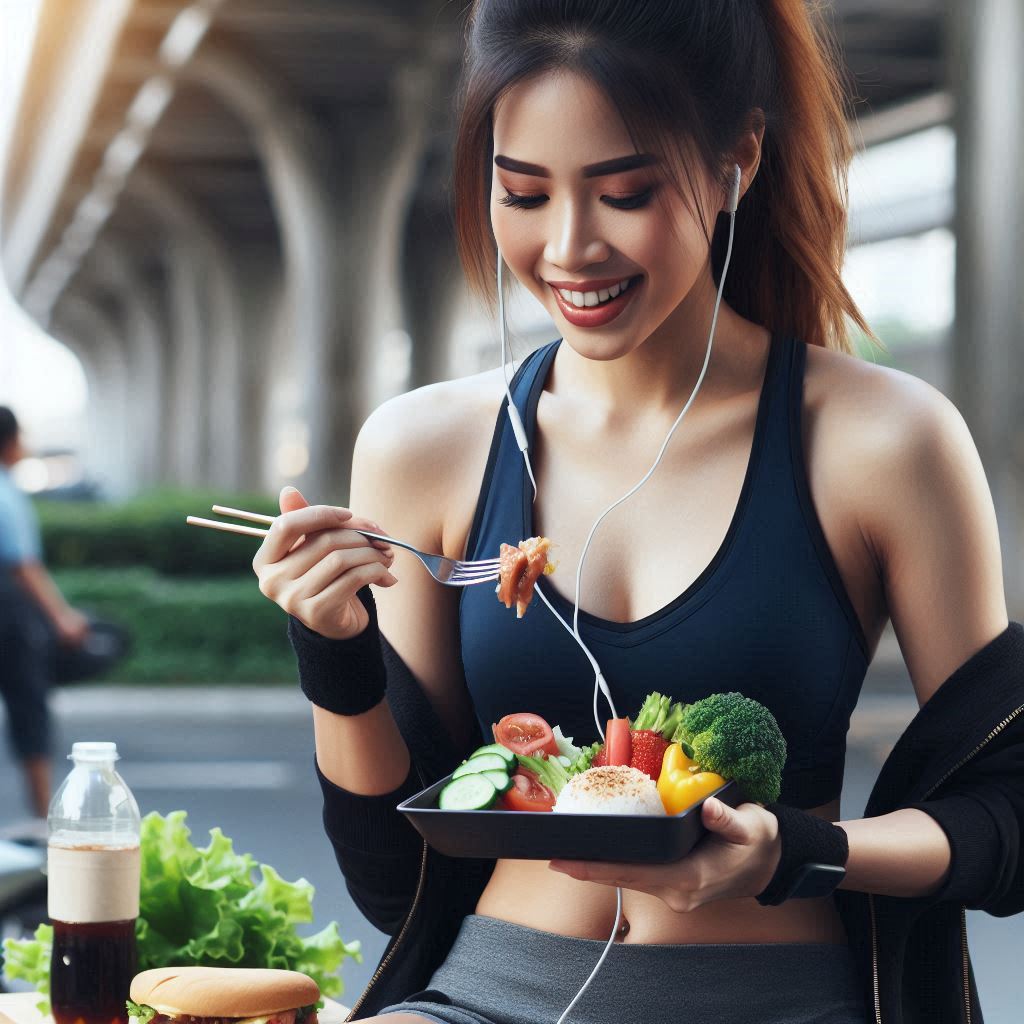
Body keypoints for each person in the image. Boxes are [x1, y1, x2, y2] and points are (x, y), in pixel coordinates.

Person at [252, 1, 1024, 1021]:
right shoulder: (424, 446)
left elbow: (1007, 812)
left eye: (624, 192)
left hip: (779, 1001)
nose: (569, 249)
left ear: (736, 156)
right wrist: (333, 654)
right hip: (486, 994)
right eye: (522, 193)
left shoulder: (882, 438)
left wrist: (795, 852)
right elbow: (398, 882)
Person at [0, 406, 89, 819]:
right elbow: (24, 566)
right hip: (10, 615)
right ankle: (43, 821)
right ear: (11, 441)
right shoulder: (6, 492)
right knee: (28, 705)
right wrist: (63, 618)